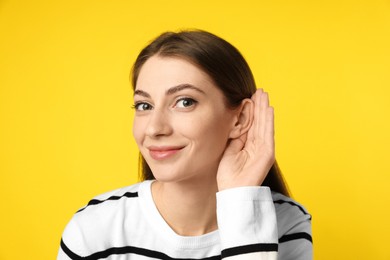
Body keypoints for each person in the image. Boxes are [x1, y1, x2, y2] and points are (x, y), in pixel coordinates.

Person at [58, 30, 312, 260]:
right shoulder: (94, 228)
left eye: (185, 102)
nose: (155, 128)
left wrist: (241, 203)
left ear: (241, 118)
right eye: (144, 106)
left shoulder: (286, 223)